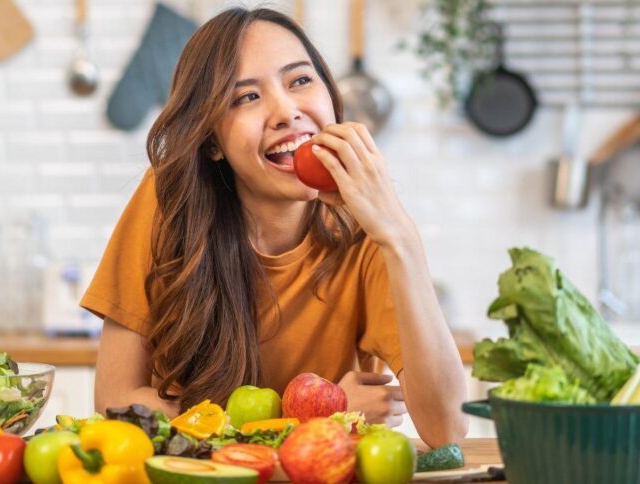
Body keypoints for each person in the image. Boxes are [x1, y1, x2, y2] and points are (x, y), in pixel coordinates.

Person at [81, 7, 467, 447]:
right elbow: (116, 402)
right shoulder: (169, 201)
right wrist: (317, 411)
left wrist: (400, 235)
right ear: (212, 143)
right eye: (246, 97)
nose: (286, 111)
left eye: (300, 80)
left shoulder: (369, 231)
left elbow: (447, 428)